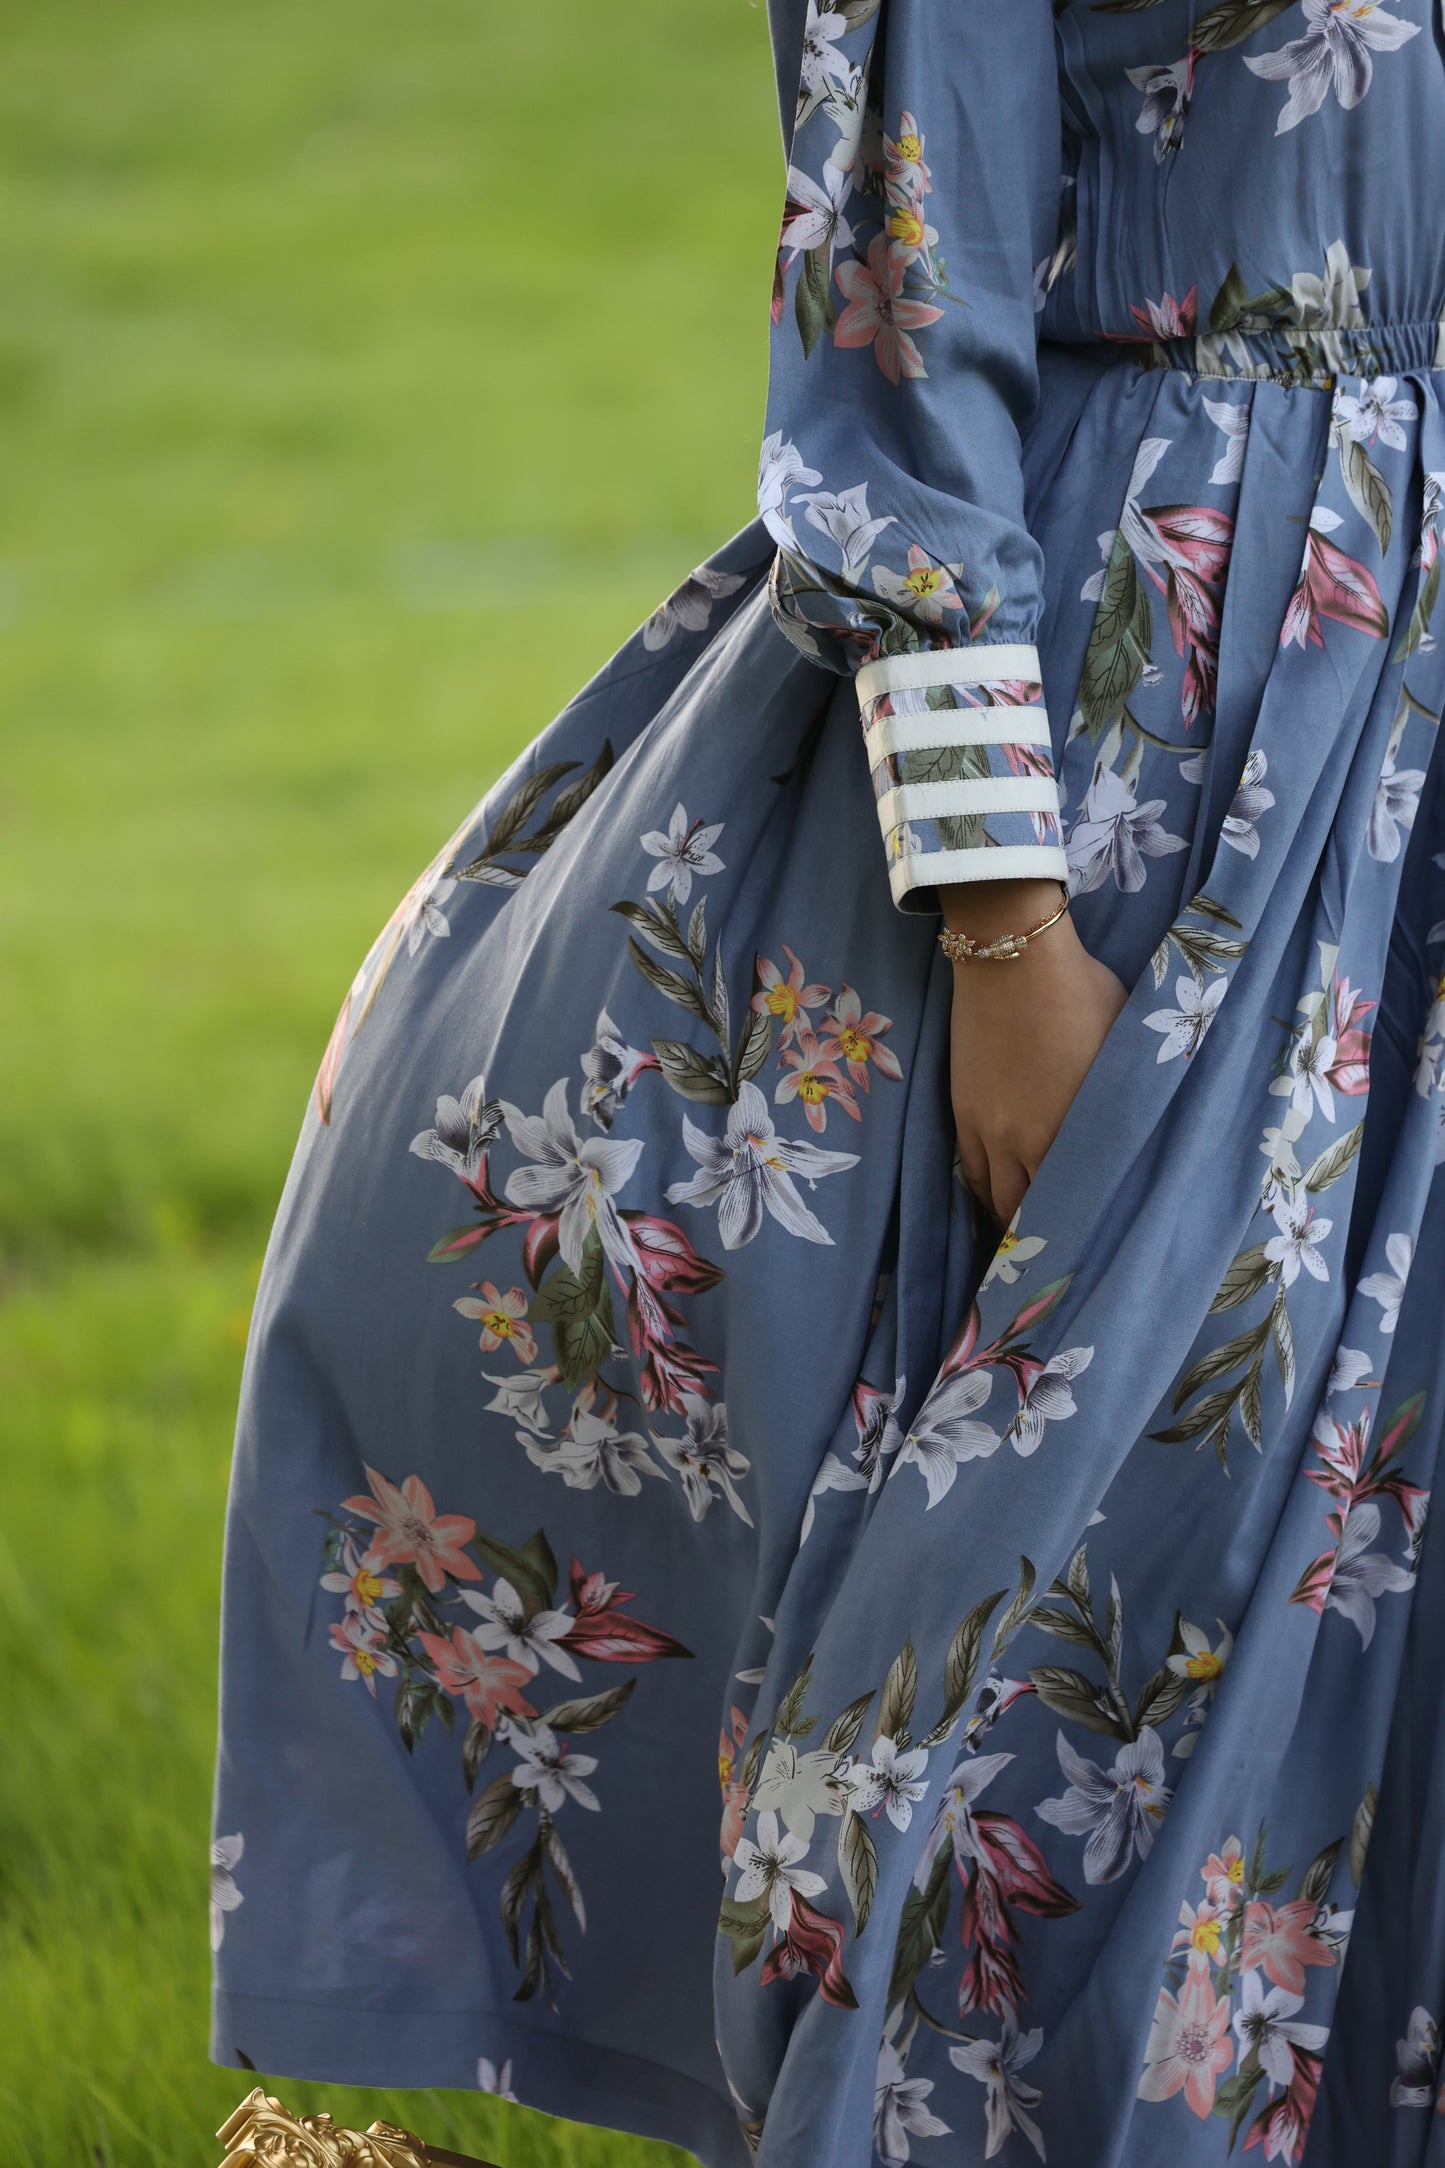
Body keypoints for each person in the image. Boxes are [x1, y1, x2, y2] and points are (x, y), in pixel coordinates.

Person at [210, 3, 1445, 2162]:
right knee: (1086, 1594)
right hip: (1162, 732)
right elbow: (896, 298)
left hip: (1410, 715)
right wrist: (997, 918)